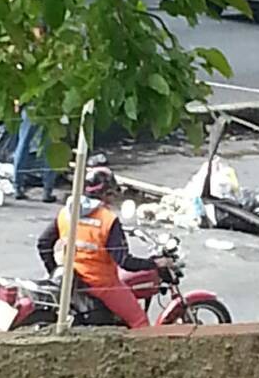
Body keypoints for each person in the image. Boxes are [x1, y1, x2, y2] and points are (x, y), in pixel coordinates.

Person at [37, 167, 170, 329]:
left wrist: (56, 271)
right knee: (139, 322)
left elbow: (43, 243)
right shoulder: (108, 219)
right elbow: (125, 262)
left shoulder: (67, 212)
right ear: (106, 193)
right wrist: (155, 263)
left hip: (73, 279)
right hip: (100, 283)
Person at [13, 106, 57, 203]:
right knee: (50, 147)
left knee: (23, 143)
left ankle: (17, 187)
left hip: (30, 105)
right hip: (51, 105)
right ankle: (47, 191)